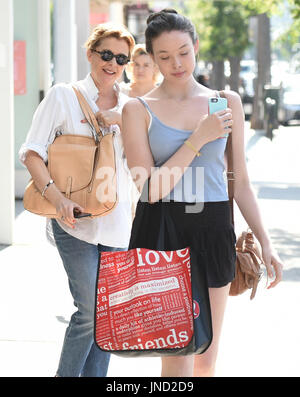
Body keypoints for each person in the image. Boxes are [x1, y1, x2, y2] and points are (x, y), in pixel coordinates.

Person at [122, 9, 283, 377]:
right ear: (151, 56)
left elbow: (239, 182)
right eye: (163, 56)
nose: (176, 63)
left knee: (206, 355)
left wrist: (267, 242)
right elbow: (148, 189)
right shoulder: (138, 109)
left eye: (183, 51)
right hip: (162, 232)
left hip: (212, 228)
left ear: (195, 46)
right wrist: (198, 138)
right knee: (177, 353)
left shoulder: (226, 103)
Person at [19, 23, 135, 377]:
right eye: (106, 54)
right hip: (74, 223)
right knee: (88, 310)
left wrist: (126, 124)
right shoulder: (63, 96)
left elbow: (140, 165)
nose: (112, 63)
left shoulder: (131, 107)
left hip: (116, 224)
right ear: (90, 53)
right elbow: (31, 153)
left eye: (121, 58)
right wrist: (58, 201)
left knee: (106, 313)